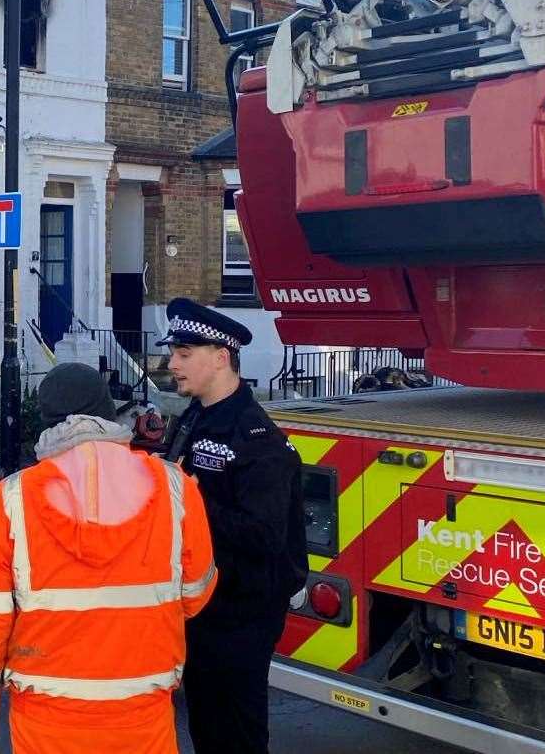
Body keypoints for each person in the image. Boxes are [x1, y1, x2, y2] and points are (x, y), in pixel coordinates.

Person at [0, 361, 217, 754]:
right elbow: (196, 596)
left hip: (45, 725)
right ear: (109, 412)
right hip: (143, 720)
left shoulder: (11, 500)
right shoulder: (175, 488)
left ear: (46, 422)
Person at [158, 298, 307, 754]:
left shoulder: (255, 438)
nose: (172, 364)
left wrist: (192, 500)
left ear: (221, 357)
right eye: (174, 354)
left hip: (242, 613)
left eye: (184, 354)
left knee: (237, 734)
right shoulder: (196, 417)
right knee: (206, 726)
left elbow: (264, 536)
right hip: (203, 607)